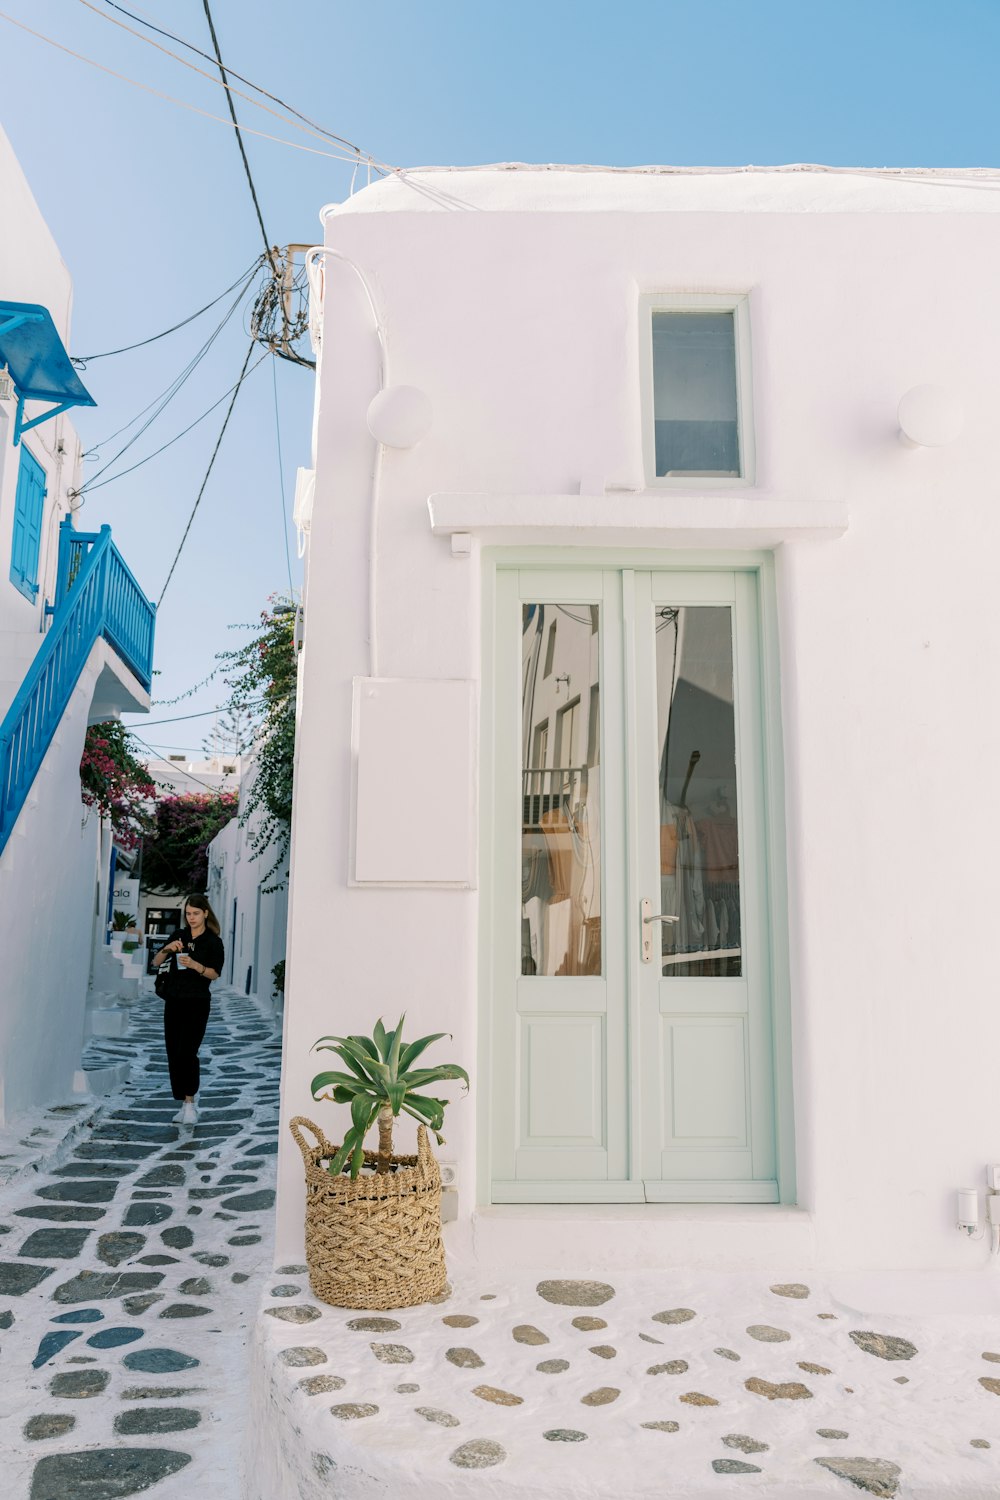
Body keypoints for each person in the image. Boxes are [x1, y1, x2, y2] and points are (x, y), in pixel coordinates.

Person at [151, 893, 225, 1125]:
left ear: (205, 913)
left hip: (197, 1001)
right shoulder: (179, 935)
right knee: (174, 1052)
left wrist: (195, 965)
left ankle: (190, 1104)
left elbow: (215, 974)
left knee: (187, 1052)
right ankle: (183, 1102)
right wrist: (168, 949)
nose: (191, 918)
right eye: (188, 914)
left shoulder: (213, 942)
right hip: (174, 1000)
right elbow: (155, 962)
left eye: (195, 913)